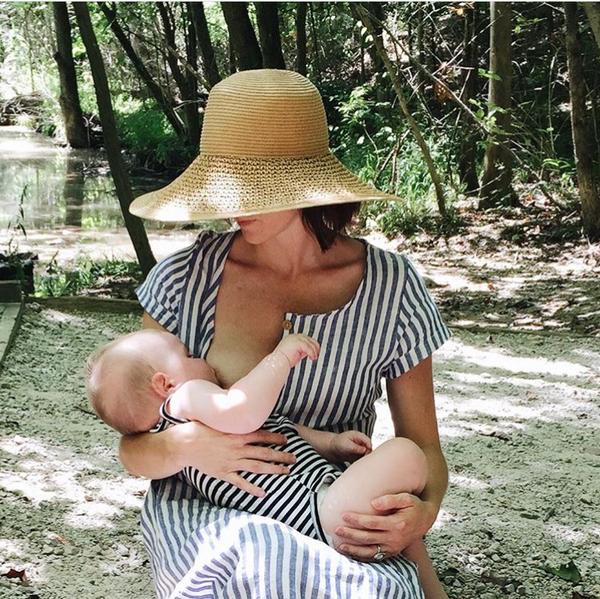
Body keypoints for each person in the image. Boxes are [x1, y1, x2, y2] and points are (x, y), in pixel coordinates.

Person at [122, 69, 452, 599]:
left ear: (306, 184)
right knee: (257, 563)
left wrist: (422, 514)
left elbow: (426, 448)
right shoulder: (184, 280)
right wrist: (190, 446)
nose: (235, 203)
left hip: (337, 498)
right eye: (226, 184)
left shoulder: (392, 287)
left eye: (254, 186)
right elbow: (134, 445)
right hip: (205, 508)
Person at [86, 329, 448, 597]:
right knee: (406, 454)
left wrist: (333, 444)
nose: (200, 358)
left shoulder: (186, 428)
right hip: (322, 509)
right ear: (165, 383)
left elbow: (283, 432)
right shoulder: (185, 400)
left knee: (397, 504)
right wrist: (281, 357)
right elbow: (242, 411)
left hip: (308, 519)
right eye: (187, 354)